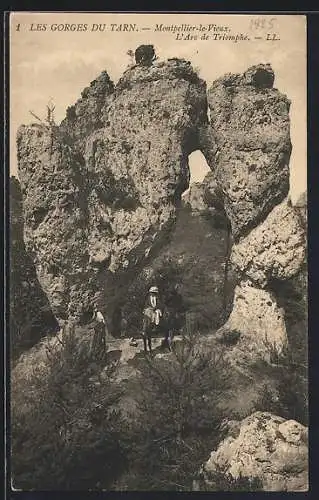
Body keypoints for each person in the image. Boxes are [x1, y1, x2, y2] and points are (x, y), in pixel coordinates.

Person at [142, 286, 163, 353]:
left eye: (153, 293)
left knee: (156, 313)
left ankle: (155, 325)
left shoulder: (157, 298)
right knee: (147, 312)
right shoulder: (148, 298)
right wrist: (146, 308)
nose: (152, 294)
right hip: (149, 309)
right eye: (151, 293)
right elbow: (146, 304)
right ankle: (145, 325)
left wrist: (155, 308)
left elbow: (159, 305)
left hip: (156, 309)